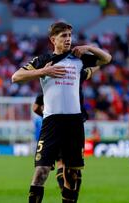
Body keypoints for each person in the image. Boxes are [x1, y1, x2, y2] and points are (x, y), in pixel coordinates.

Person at [12, 21, 111, 203]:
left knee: (71, 175)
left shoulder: (78, 59)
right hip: (52, 123)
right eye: (63, 36)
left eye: (69, 36)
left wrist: (88, 47)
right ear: (53, 40)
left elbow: (107, 59)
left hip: (74, 123)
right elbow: (15, 77)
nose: (68, 39)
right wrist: (43, 71)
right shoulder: (42, 61)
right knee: (41, 171)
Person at [32, 66, 100, 194]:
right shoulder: (74, 81)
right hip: (73, 126)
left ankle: (66, 191)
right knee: (73, 166)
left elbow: (35, 107)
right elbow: (95, 67)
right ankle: (69, 194)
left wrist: (47, 116)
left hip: (56, 127)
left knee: (61, 163)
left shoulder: (48, 88)